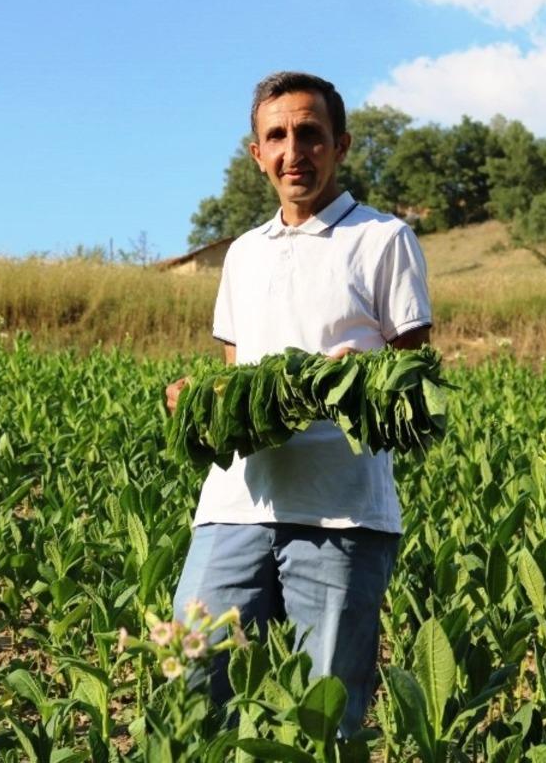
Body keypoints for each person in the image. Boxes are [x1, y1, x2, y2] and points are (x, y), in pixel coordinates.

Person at [165, 71, 432, 737]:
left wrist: (355, 379)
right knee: (192, 690)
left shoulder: (383, 240)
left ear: (340, 145)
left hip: (340, 513)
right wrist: (200, 402)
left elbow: (413, 384)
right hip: (235, 506)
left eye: (310, 134)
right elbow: (237, 379)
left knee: (327, 719)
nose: (294, 152)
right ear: (256, 153)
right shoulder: (243, 255)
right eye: (277, 136)